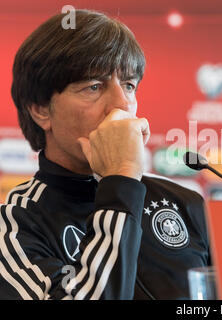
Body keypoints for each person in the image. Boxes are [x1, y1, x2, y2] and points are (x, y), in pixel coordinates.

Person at [0, 9, 211, 300]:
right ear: (41, 110)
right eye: (94, 86)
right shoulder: (16, 224)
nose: (121, 105)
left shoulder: (185, 204)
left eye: (128, 85)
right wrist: (121, 177)